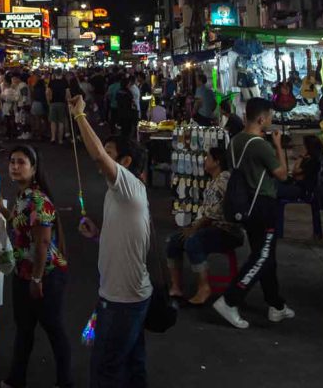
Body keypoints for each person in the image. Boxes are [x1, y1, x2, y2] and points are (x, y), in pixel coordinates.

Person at [70, 95, 152, 388]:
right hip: (124, 296)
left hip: (123, 301)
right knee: (131, 364)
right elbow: (127, 241)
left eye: (109, 153)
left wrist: (80, 116)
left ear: (125, 161)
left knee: (105, 369)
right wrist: (98, 236)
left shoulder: (129, 185)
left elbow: (96, 157)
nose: (102, 158)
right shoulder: (118, 193)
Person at [212, 97, 293, 329]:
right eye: (269, 117)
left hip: (245, 204)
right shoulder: (261, 145)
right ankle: (230, 300)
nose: (270, 121)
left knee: (265, 254)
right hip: (264, 206)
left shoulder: (235, 140)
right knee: (262, 256)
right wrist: (277, 145)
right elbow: (282, 175)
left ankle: (276, 305)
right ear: (261, 118)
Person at [0, 144, 72, 388]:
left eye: (21, 163)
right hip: (24, 273)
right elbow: (21, 223)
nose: (15, 167)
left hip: (45, 275)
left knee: (54, 329)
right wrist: (2, 210)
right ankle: (16, 379)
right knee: (24, 329)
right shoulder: (22, 196)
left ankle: (66, 382)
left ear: (34, 168)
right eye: (12, 162)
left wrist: (37, 280)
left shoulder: (38, 199)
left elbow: (42, 242)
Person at [166, 147, 244, 305]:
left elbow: (211, 215)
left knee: (193, 241)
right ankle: (176, 286)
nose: (204, 161)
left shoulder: (223, 180)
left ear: (217, 162)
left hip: (227, 231)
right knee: (173, 241)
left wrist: (193, 229)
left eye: (208, 158)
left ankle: (204, 287)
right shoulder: (214, 181)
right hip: (211, 227)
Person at [278, 134, 323, 201]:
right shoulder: (311, 158)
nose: (302, 147)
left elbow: (295, 171)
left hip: (302, 189)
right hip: (299, 185)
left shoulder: (312, 161)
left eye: (304, 145)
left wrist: (300, 158)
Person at [47, 70, 70, 145]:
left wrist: (49, 102)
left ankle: (53, 138)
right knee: (61, 122)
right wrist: (68, 102)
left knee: (53, 122)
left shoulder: (51, 82)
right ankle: (60, 139)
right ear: (61, 74)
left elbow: (48, 92)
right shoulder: (65, 82)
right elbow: (67, 93)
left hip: (53, 103)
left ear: (55, 74)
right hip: (62, 103)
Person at [30, 73, 48, 139]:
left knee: (36, 119)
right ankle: (41, 133)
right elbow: (44, 98)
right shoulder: (43, 90)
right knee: (42, 119)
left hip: (35, 104)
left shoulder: (34, 88)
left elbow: (32, 96)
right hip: (40, 104)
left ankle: (36, 132)